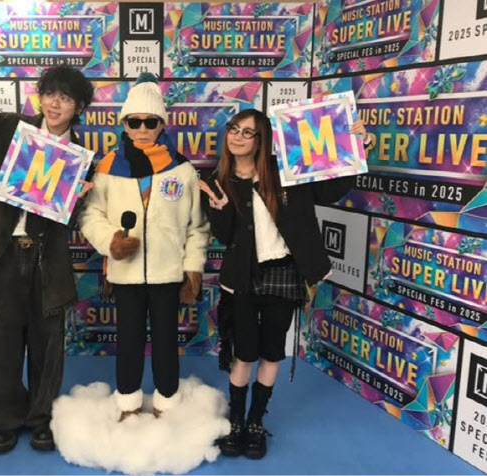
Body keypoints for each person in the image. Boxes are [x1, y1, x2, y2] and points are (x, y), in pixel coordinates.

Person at [199, 109, 369, 459]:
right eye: (234, 129)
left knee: (272, 349)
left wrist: (358, 147)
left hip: (285, 272)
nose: (238, 137)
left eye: (248, 132)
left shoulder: (287, 172)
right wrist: (219, 209)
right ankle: (235, 421)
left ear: (261, 140)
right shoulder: (217, 180)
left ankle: (256, 422)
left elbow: (331, 190)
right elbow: (225, 235)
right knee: (244, 352)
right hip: (243, 276)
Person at [0, 65, 94, 454]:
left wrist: (77, 199)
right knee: (2, 342)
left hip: (48, 258)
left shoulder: (80, 157)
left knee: (49, 344)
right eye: (49, 94)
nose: (55, 104)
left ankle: (41, 418)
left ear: (79, 107)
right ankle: (3, 420)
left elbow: (71, 222)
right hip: (1, 253)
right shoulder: (7, 127)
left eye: (65, 98)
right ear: (40, 97)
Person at [79, 73, 209, 421]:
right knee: (129, 341)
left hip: (169, 273)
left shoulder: (182, 170)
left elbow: (198, 226)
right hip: (124, 274)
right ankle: (128, 402)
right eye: (134, 122)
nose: (141, 129)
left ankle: (167, 401)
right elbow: (91, 215)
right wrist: (111, 241)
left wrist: (192, 268)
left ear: (162, 124)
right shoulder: (108, 167)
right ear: (124, 123)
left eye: (150, 122)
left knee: (166, 341)